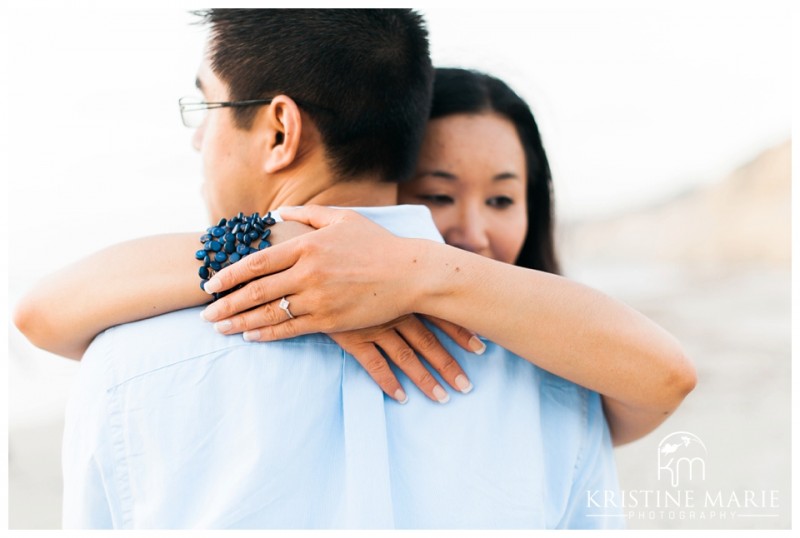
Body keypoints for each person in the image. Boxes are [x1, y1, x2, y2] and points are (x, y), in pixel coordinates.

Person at [14, 9, 625, 528]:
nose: (199, 139)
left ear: (280, 128)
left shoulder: (130, 366)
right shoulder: (562, 371)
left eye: (209, 105)